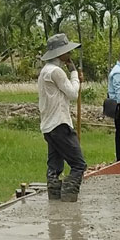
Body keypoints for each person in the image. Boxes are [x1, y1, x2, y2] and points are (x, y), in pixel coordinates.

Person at [37, 33, 86, 202]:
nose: (69, 55)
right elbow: (72, 94)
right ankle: (68, 200)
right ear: (60, 53)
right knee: (79, 164)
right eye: (67, 52)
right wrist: (74, 74)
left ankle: (55, 200)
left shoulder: (45, 71)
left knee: (55, 166)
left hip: (48, 126)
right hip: (60, 124)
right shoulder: (56, 72)